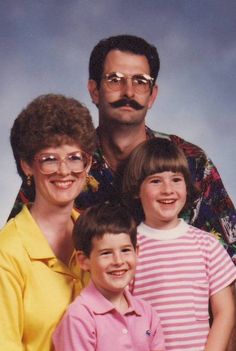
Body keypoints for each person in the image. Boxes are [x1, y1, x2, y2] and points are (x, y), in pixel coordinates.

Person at [8, 34, 236, 262]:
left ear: (152, 95)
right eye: (115, 80)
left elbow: (231, 259)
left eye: (140, 81)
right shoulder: (63, 166)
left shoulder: (190, 161)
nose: (128, 92)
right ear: (94, 90)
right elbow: (16, 247)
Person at [0, 94, 96, 351]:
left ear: (87, 164)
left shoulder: (99, 238)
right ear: (27, 166)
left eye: (75, 157)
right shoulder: (6, 253)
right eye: (50, 159)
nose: (65, 171)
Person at [122, 138, 236, 351]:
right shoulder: (128, 248)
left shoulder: (207, 245)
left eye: (176, 179)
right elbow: (120, 315)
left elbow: (224, 312)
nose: (168, 190)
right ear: (137, 189)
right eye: (155, 181)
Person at [52, 203, 166, 351]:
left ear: (136, 252)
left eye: (125, 250)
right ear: (83, 260)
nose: (118, 261)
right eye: (106, 253)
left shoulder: (147, 313)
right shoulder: (79, 318)